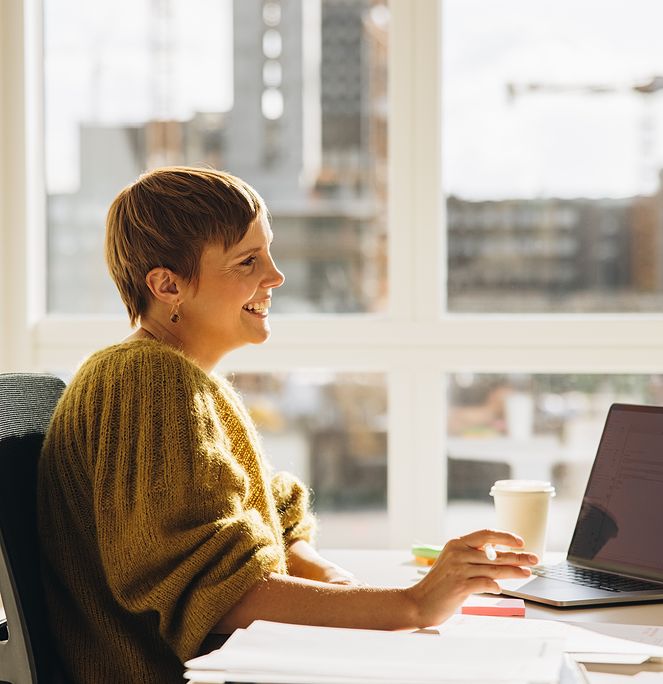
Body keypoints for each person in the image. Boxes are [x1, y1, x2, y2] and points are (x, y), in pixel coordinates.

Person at [37, 166, 537, 684]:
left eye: (268, 252)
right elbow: (215, 590)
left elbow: (265, 517)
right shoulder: (145, 378)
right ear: (168, 285)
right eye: (248, 261)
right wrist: (412, 605)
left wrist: (329, 578)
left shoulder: (175, 379)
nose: (275, 276)